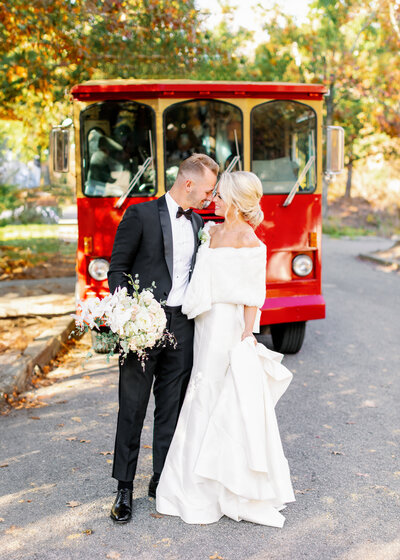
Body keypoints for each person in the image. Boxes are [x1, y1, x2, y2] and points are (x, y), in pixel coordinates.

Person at [156, 171, 295, 528]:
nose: (212, 199)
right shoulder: (212, 231)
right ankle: (188, 479)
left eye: (219, 195)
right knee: (199, 392)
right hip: (203, 322)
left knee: (220, 397)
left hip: (229, 327)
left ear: (233, 199)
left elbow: (253, 296)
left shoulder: (251, 241)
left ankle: (223, 484)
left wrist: (247, 337)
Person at [107, 153, 219, 523]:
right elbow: (118, 268)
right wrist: (130, 315)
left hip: (182, 326)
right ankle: (124, 488)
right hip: (143, 325)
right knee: (133, 407)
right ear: (188, 184)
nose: (209, 198)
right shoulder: (140, 215)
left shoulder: (199, 221)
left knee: (171, 408)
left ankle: (161, 481)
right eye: (206, 190)